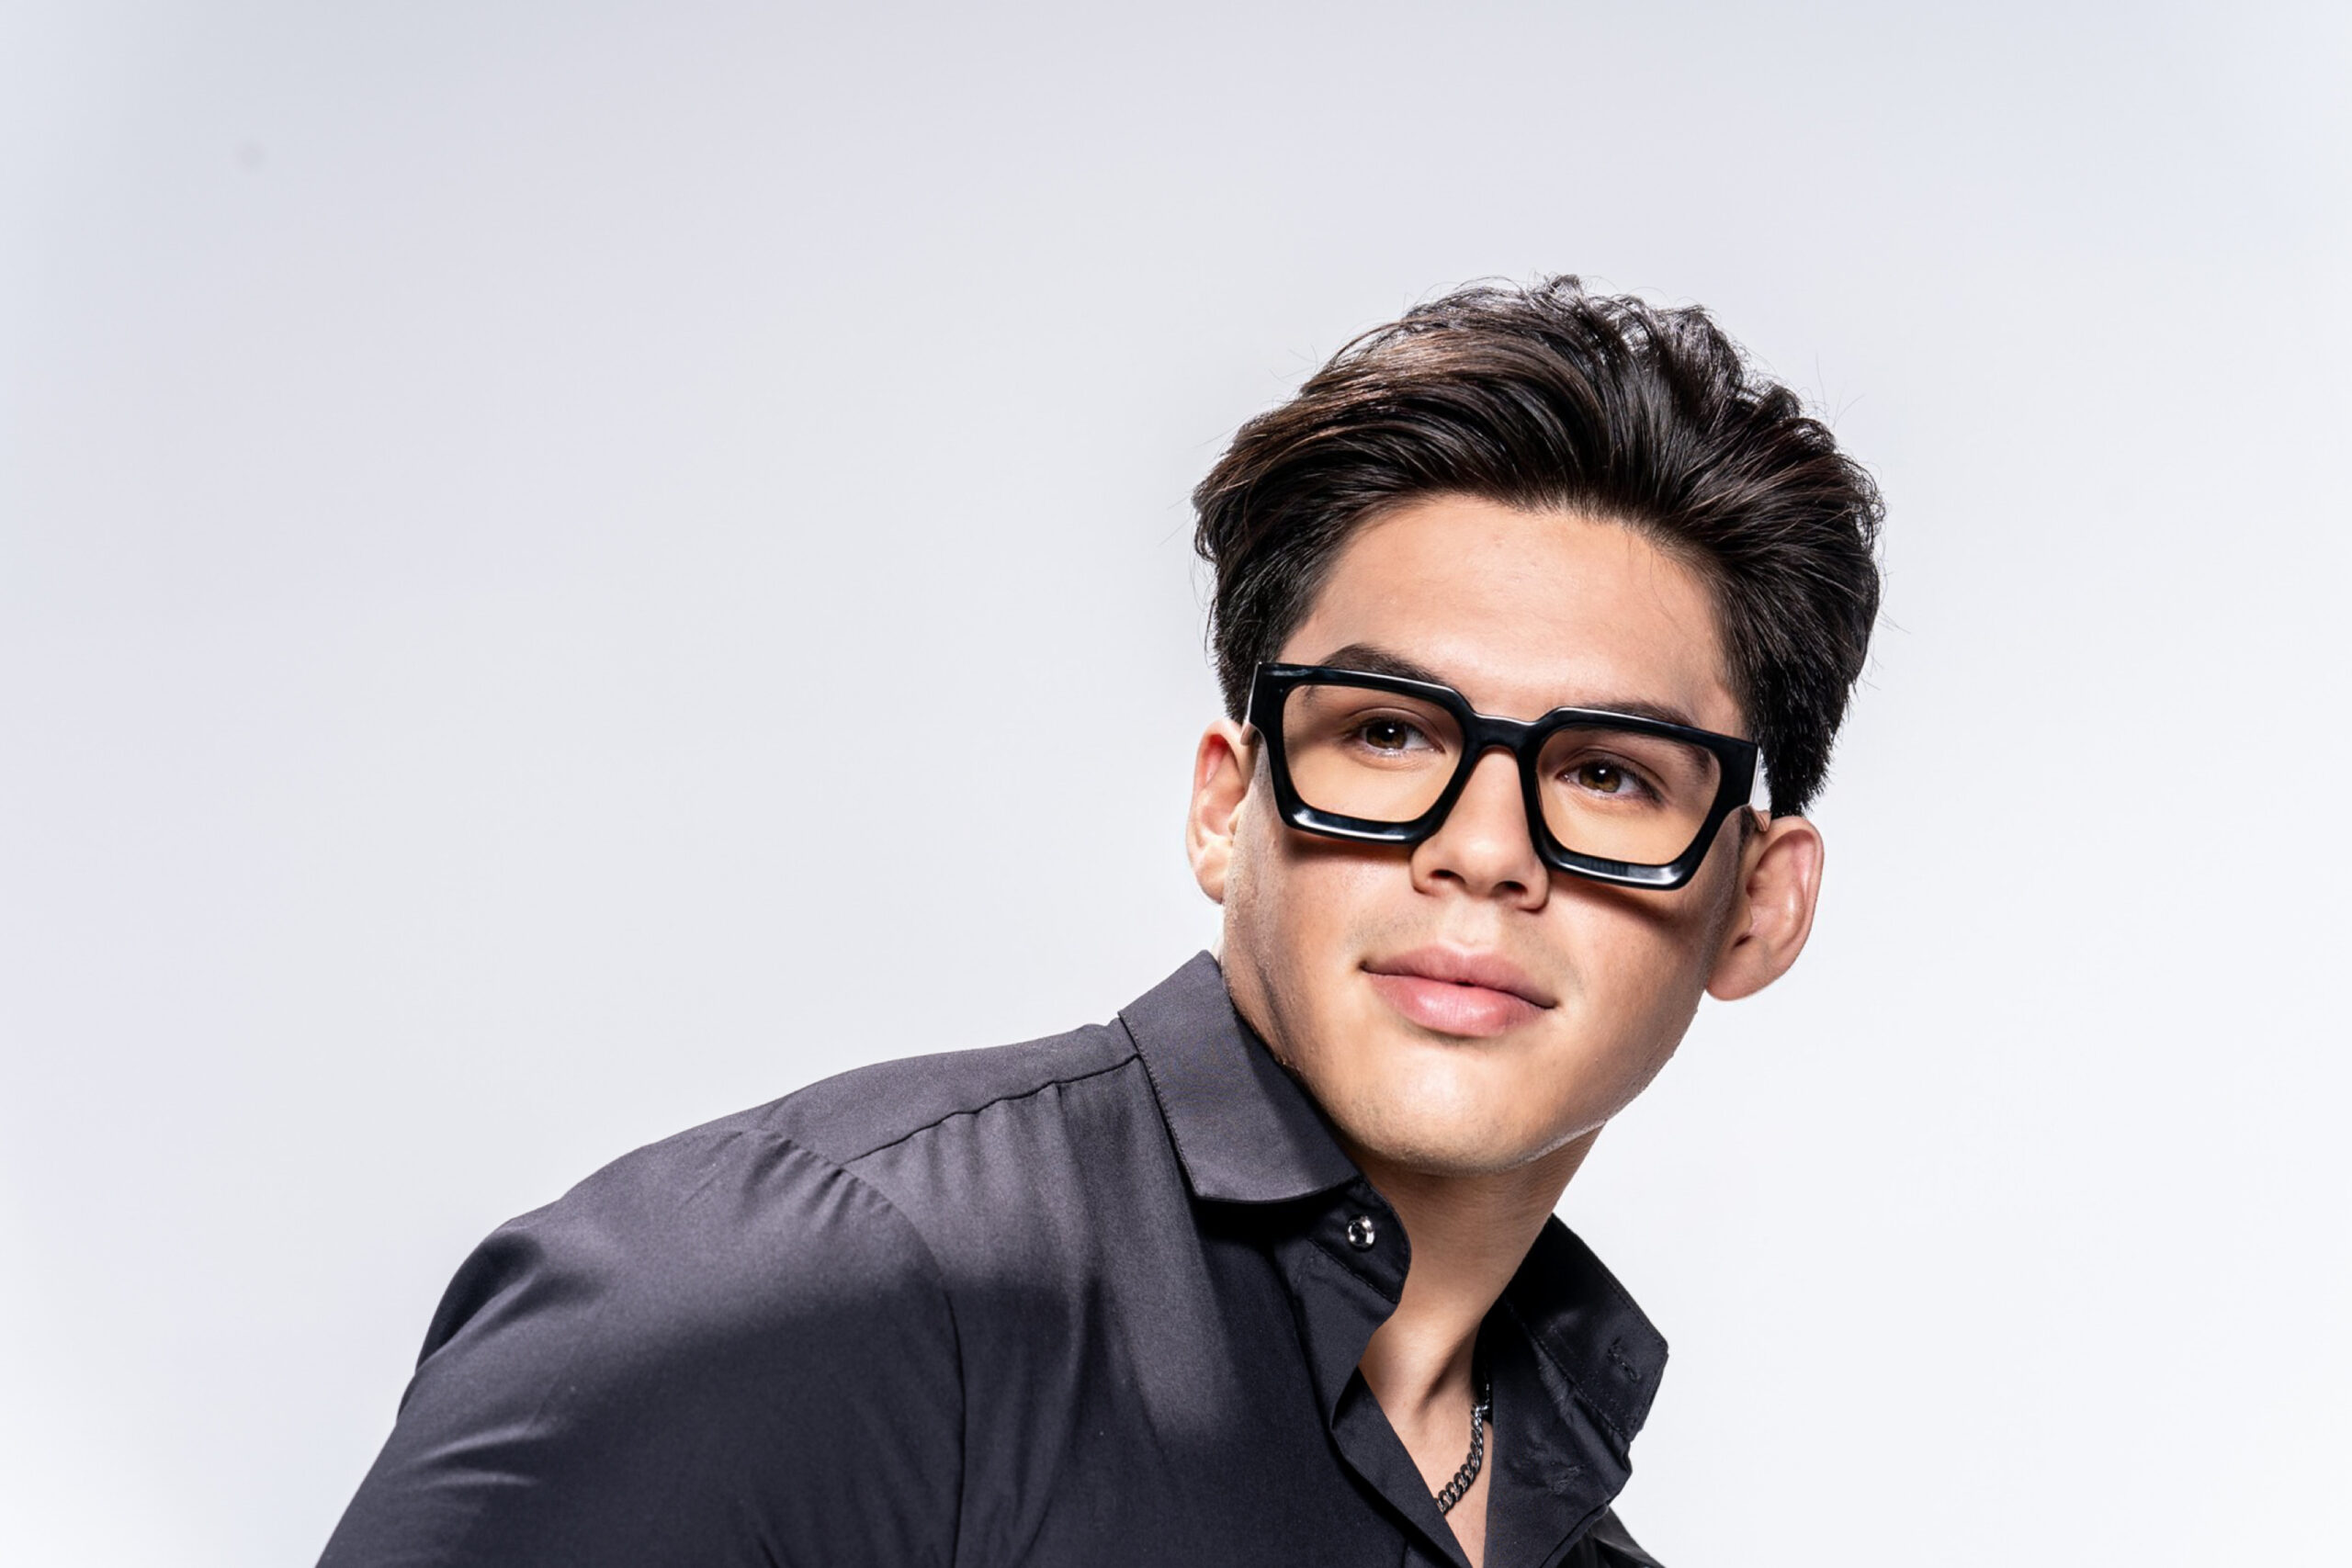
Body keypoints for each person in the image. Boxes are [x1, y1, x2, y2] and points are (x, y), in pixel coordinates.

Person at [318, 276, 1883, 1568]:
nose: (1481, 851)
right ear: (1227, 807)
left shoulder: (1565, 1531)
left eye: (1607, 774)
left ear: (1758, 905)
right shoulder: (805, 1296)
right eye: (1386, 735)